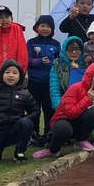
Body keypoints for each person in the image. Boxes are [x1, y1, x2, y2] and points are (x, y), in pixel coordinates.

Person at [33, 61, 94, 159]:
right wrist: (87, 99)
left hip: (78, 124)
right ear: (90, 76)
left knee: (92, 113)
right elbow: (70, 113)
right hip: (63, 121)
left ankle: (82, 140)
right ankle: (52, 150)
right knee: (64, 128)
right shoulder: (75, 88)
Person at [26, 15, 60, 146]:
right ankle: (33, 133)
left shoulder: (56, 44)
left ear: (52, 29)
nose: (45, 29)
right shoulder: (31, 42)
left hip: (50, 82)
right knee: (34, 108)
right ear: (37, 28)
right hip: (34, 80)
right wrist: (39, 61)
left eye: (48, 26)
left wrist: (52, 64)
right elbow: (26, 60)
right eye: (42, 26)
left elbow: (59, 62)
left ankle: (48, 133)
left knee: (49, 108)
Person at [50, 37, 89, 109]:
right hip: (63, 104)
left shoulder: (86, 64)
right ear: (65, 50)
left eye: (77, 49)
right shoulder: (57, 64)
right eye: (70, 49)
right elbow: (55, 88)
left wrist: (78, 71)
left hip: (82, 104)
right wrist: (59, 107)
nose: (74, 52)